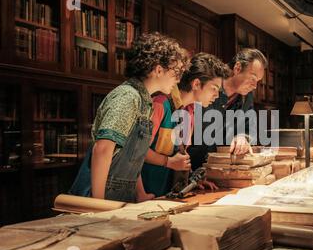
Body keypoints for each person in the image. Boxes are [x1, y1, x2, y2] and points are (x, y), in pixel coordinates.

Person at [69, 32, 188, 203]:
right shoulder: (128, 96)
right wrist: (97, 204)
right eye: (176, 73)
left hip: (120, 198)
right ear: (158, 70)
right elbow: (102, 149)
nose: (177, 80)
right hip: (96, 198)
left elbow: (134, 156)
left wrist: (140, 194)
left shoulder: (145, 102)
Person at [141, 52, 230, 197]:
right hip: (147, 195)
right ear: (196, 84)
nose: (217, 95)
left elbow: (180, 155)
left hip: (168, 195)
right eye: (214, 88)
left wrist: (191, 181)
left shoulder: (191, 111)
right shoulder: (160, 103)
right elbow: (137, 152)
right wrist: (168, 162)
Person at [188, 48, 267, 170]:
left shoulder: (247, 96)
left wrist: (243, 137)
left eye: (258, 81)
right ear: (237, 68)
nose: (255, 86)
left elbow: (249, 128)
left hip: (220, 169)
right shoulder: (208, 84)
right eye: (253, 78)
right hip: (188, 167)